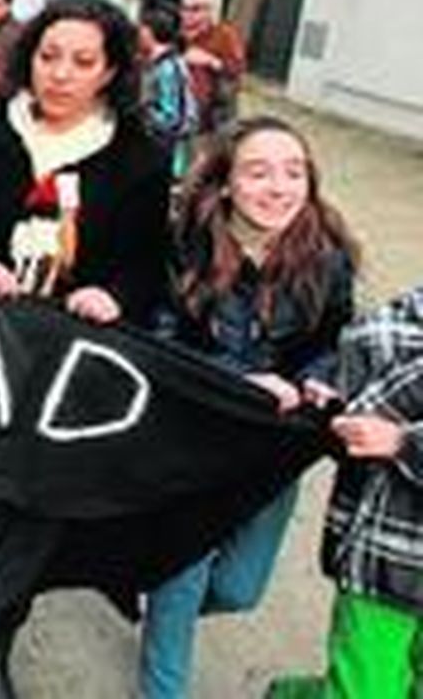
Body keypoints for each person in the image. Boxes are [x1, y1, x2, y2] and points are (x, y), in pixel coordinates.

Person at [0, 0, 172, 699]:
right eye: (49, 56)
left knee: (30, 508)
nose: (60, 74)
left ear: (111, 70)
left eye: (82, 61)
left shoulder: (140, 158)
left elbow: (151, 262)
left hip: (67, 370)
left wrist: (115, 294)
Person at [139, 116, 358, 699]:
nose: (278, 187)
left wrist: (317, 380)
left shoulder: (329, 259)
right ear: (226, 182)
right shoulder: (181, 245)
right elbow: (157, 345)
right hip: (189, 441)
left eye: (294, 172)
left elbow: (332, 343)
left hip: (269, 449)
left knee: (238, 589)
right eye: (258, 172)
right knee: (181, 579)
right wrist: (243, 382)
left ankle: (159, 604)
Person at [269, 284, 423, 699]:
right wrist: (338, 379)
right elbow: (372, 335)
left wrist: (403, 442)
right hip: (396, 548)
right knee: (366, 691)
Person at [138, 5, 199, 181]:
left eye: (141, 29)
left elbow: (174, 118)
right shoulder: (153, 64)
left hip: (166, 157)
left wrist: (140, 113)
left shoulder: (169, 68)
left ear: (150, 33)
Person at [178, 0, 245, 132]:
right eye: (184, 9)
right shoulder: (174, 32)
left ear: (208, 12)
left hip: (213, 112)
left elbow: (236, 70)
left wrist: (210, 61)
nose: (188, 15)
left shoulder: (224, 35)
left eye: (195, 9)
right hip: (179, 108)